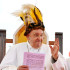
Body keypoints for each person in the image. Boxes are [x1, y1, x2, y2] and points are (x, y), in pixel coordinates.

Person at [0, 4, 67, 70]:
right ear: (28, 36)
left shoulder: (50, 50)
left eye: (41, 35)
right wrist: (16, 69)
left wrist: (55, 58)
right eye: (36, 35)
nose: (40, 38)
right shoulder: (15, 49)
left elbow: (63, 68)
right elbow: (3, 68)